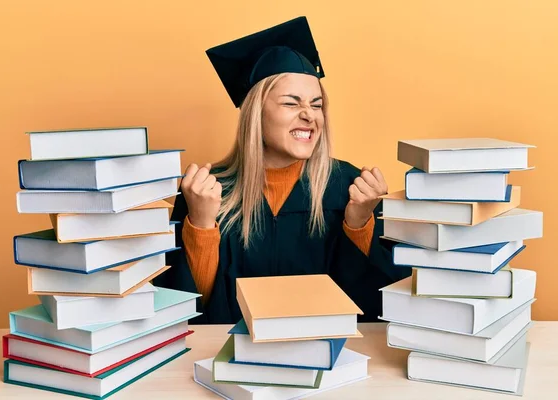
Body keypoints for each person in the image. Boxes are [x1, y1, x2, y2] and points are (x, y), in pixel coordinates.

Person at [153, 16, 410, 324]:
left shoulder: (351, 187)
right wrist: (202, 225)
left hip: (327, 358)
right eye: (291, 104)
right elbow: (186, 312)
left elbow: (378, 305)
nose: (309, 115)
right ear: (256, 114)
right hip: (232, 359)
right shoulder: (207, 191)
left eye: (316, 105)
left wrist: (359, 224)